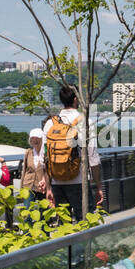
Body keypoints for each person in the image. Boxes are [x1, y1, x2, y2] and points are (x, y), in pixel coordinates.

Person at [45, 84, 103, 220]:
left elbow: (45, 159)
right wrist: (99, 185)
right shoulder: (85, 122)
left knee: (63, 226)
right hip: (79, 181)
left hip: (56, 182)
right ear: (76, 99)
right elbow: (93, 158)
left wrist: (48, 188)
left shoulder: (50, 124)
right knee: (85, 223)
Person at [22, 127, 49, 201]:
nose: (35, 140)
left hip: (42, 186)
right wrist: (21, 187)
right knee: (27, 210)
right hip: (28, 185)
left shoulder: (46, 153)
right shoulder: (28, 152)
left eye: (37, 138)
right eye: (33, 138)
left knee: (44, 210)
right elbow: (24, 170)